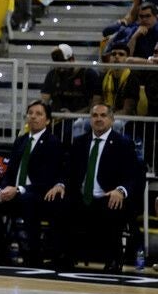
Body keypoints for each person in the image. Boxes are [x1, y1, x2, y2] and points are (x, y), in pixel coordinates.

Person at [48, 103, 138, 273]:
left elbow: (132, 176)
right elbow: (68, 171)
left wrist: (120, 190)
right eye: (95, 115)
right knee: (59, 204)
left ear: (111, 119)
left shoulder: (124, 144)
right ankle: (63, 256)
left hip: (107, 196)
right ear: (90, 120)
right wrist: (60, 185)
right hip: (81, 196)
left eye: (103, 115)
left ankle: (113, 260)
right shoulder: (80, 142)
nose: (98, 119)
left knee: (112, 207)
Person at [0, 100, 66, 266]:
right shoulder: (21, 141)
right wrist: (3, 189)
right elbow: (10, 172)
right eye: (30, 113)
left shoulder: (53, 143)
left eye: (39, 114)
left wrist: (19, 189)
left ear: (48, 120)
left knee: (28, 200)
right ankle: (0, 248)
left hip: (37, 194)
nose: (33, 117)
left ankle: (32, 253)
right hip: (14, 192)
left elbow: (46, 180)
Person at [40, 43, 101, 117]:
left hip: (81, 119)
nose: (60, 68)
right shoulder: (52, 74)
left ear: (72, 59)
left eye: (63, 63)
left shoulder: (88, 74)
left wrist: (73, 115)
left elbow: (95, 105)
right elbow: (44, 101)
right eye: (57, 63)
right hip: (56, 118)